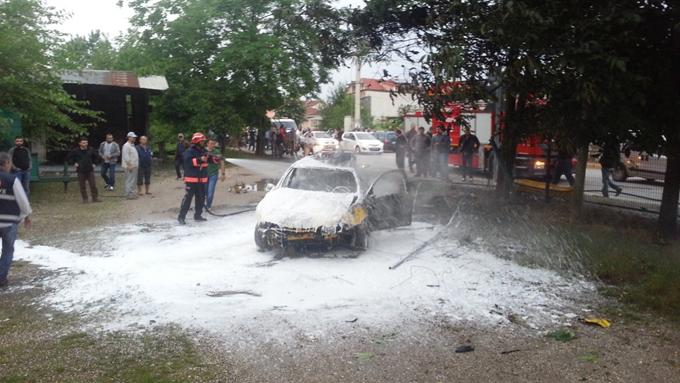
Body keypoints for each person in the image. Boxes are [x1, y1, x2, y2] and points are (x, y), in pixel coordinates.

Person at [0, 152, 32, 288]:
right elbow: (23, 201)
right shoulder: (12, 180)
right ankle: (1, 278)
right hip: (9, 222)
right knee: (7, 250)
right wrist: (26, 216)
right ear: (7, 163)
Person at [178, 132, 209, 224]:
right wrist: (200, 159)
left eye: (204, 141)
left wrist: (216, 159)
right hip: (192, 180)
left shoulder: (204, 151)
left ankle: (198, 215)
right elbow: (188, 162)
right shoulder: (189, 151)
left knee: (201, 199)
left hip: (201, 179)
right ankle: (181, 217)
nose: (203, 142)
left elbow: (208, 160)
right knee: (188, 199)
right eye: (202, 141)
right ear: (197, 141)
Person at [67, 137, 102, 203]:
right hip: (80, 170)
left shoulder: (91, 149)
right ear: (79, 143)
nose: (85, 144)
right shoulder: (75, 151)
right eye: (83, 143)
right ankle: (85, 199)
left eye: (86, 142)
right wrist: (74, 163)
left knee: (93, 185)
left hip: (90, 170)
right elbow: (69, 158)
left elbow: (97, 157)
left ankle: (95, 198)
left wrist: (95, 163)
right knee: (82, 186)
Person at [205, 138, 226, 211]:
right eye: (211, 143)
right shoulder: (203, 151)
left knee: (210, 193)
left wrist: (223, 174)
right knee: (205, 192)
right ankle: (203, 205)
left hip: (213, 175)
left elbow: (222, 162)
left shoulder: (217, 152)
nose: (212, 145)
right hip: (204, 175)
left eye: (213, 144)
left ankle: (208, 206)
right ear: (207, 144)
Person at [122, 132, 139, 200]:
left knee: (133, 180)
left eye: (135, 137)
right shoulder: (126, 146)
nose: (135, 138)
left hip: (134, 166)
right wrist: (129, 165)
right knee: (129, 180)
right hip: (130, 166)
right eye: (133, 137)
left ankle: (131, 193)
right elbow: (126, 157)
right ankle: (128, 194)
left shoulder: (132, 145)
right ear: (129, 137)